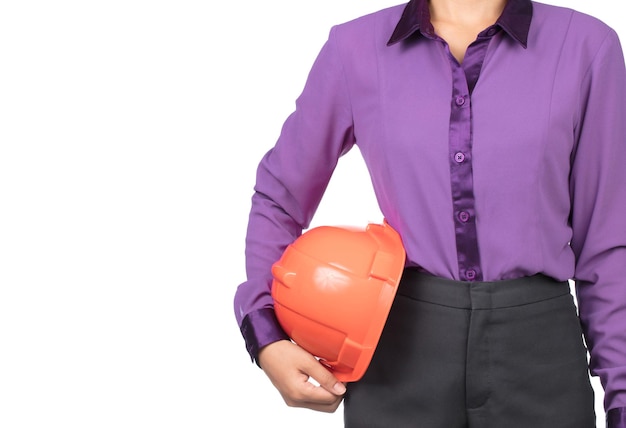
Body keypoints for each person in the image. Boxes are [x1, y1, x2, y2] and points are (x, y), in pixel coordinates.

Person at [233, 0, 626, 426]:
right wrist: (266, 335)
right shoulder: (355, 48)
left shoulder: (587, 46)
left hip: (541, 352)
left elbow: (608, 240)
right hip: (398, 350)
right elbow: (279, 194)